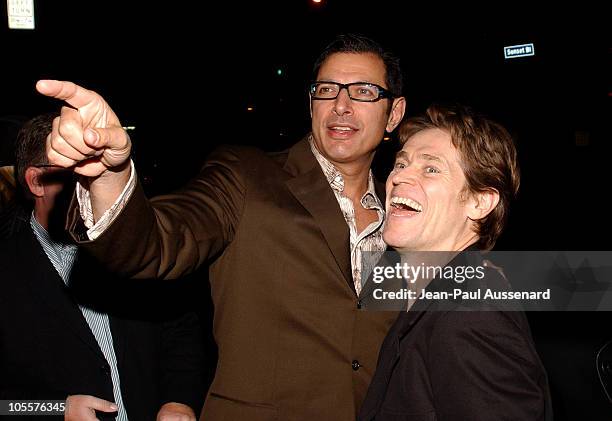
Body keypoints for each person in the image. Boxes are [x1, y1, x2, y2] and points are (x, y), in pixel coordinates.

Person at [36, 34, 407, 419]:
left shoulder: (407, 214)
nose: (341, 105)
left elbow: (445, 318)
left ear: (393, 114)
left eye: (363, 91)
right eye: (327, 90)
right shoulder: (247, 175)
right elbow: (158, 242)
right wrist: (108, 179)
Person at [0, 113, 206, 421]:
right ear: (37, 181)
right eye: (82, 172)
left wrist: (179, 400)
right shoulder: (7, 270)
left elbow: (182, 332)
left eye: (106, 171)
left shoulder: (136, 246)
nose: (100, 184)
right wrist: (58, 409)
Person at [358, 104, 552, 420]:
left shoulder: (470, 317)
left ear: (480, 202)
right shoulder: (430, 300)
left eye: (431, 168)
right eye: (401, 164)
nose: (399, 177)